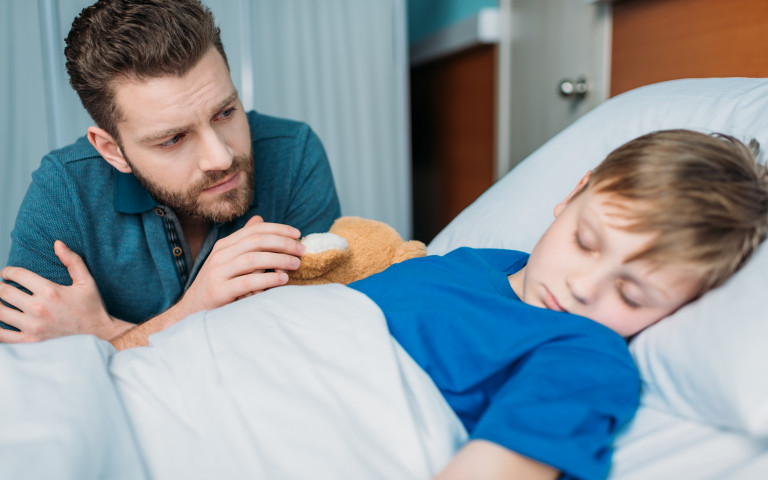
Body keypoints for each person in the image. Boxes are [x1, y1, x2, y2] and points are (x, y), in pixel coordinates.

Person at [106, 129, 768, 478]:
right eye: (586, 241)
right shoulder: (479, 263)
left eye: (633, 293)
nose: (585, 287)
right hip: (201, 370)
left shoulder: (585, 355)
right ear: (571, 196)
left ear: (679, 308)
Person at [0, 0, 341, 343]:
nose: (220, 158)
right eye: (173, 139)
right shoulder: (64, 190)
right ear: (112, 150)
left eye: (224, 113)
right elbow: (29, 374)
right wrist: (194, 311)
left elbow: (310, 346)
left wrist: (106, 336)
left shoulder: (294, 152)